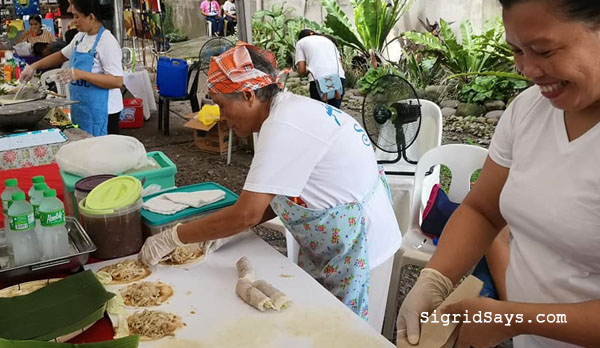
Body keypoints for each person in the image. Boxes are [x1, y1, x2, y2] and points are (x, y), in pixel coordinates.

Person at [138, 42, 402, 332]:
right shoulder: (284, 114)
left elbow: (248, 214)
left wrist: (174, 238)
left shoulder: (284, 126)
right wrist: (222, 231)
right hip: (336, 238)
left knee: (344, 333)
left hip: (362, 246)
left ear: (249, 95)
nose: (222, 118)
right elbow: (269, 199)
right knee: (316, 324)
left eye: (223, 106)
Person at [396, 1, 600, 347]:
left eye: (543, 51)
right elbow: (484, 209)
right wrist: (434, 279)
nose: (528, 69)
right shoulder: (528, 111)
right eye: (517, 50)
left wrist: (514, 317)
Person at [20, 0, 124, 137]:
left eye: (77, 17)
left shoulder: (107, 42)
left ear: (91, 17)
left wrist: (80, 74)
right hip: (81, 108)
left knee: (103, 154)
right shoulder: (80, 37)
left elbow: (117, 81)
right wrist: (33, 66)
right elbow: (61, 55)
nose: (73, 21)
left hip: (104, 112)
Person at [295, 29, 346, 109]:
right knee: (335, 112)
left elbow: (301, 70)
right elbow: (340, 63)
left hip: (318, 81)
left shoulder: (301, 42)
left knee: (319, 112)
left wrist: (308, 69)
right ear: (312, 33)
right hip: (338, 79)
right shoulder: (329, 41)